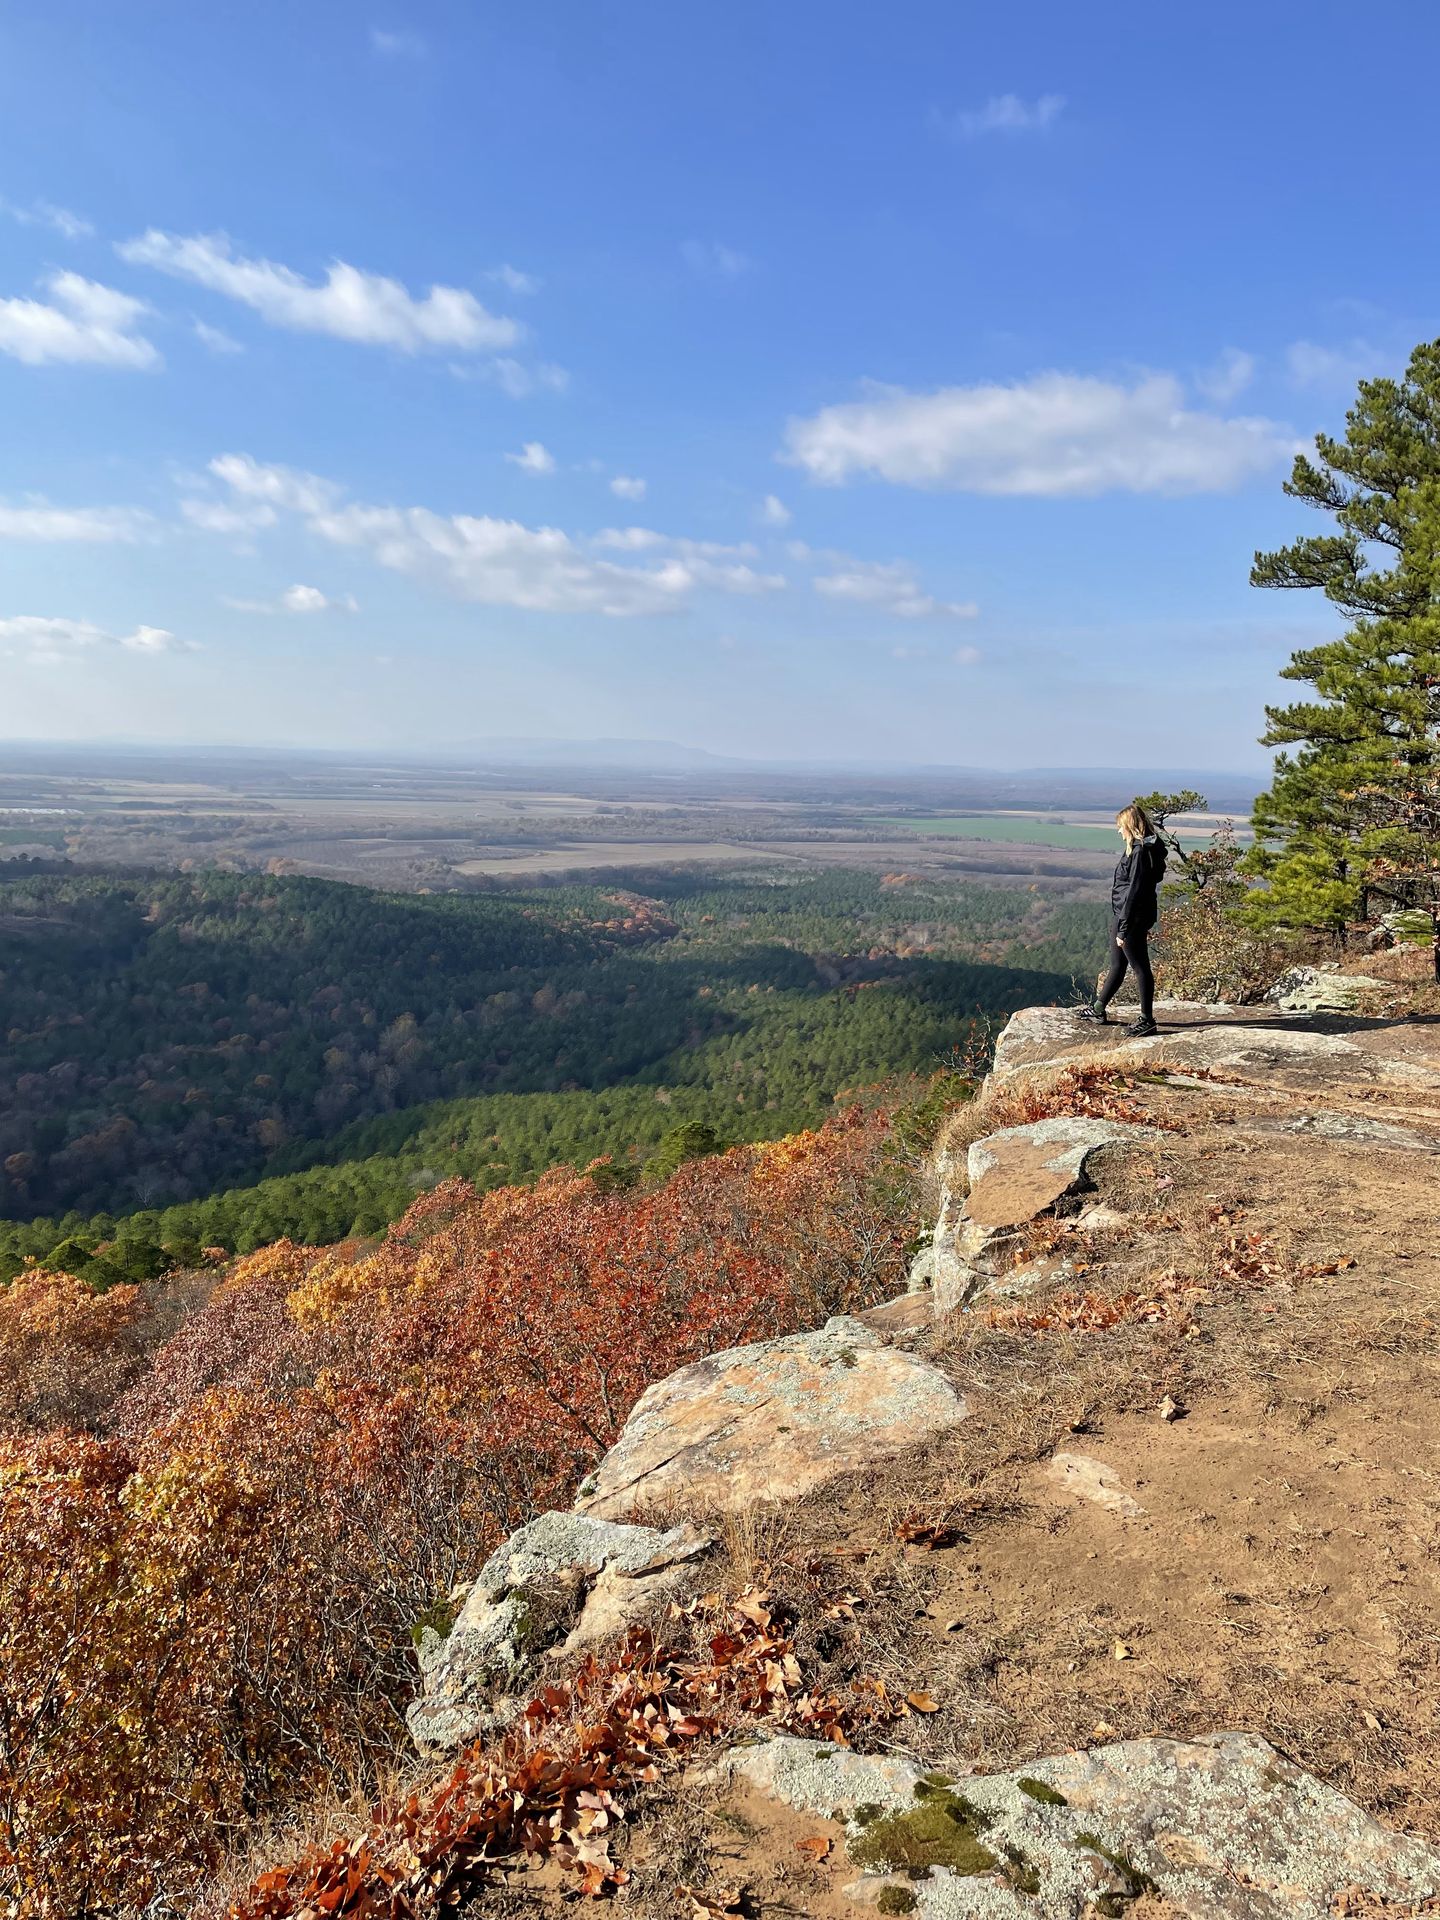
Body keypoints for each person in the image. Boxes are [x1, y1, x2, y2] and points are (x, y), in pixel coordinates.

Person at [1078, 802, 1167, 1036]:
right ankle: (1098, 1008)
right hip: (1129, 915)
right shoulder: (1147, 848)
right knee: (1118, 965)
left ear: (1130, 826)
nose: (1119, 831)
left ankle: (1147, 1019)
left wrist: (1123, 929)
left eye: (1120, 827)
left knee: (1140, 968)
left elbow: (1135, 892)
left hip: (1131, 917)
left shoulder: (1140, 852)